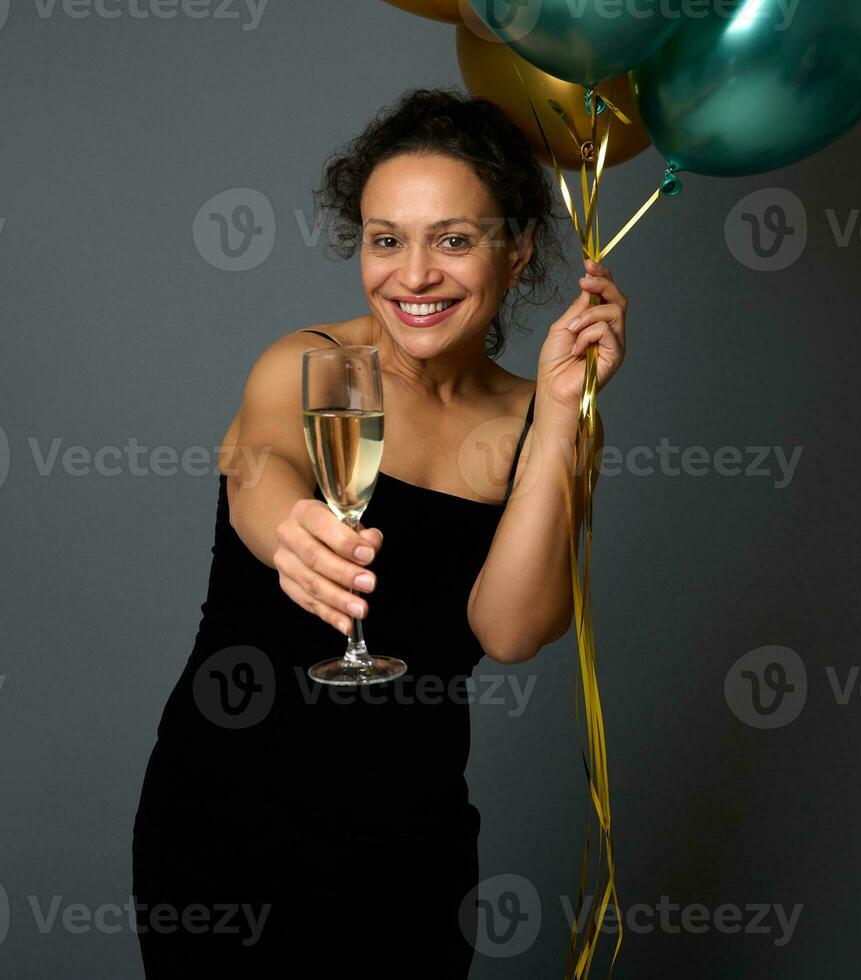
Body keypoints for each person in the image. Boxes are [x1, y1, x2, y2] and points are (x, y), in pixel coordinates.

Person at [131, 87, 629, 976]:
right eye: (385, 239)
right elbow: (260, 472)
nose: (413, 275)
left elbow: (511, 630)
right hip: (228, 824)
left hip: (411, 841)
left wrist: (558, 414)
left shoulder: (546, 418)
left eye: (453, 239)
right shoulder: (307, 363)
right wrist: (296, 534)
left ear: (517, 251)